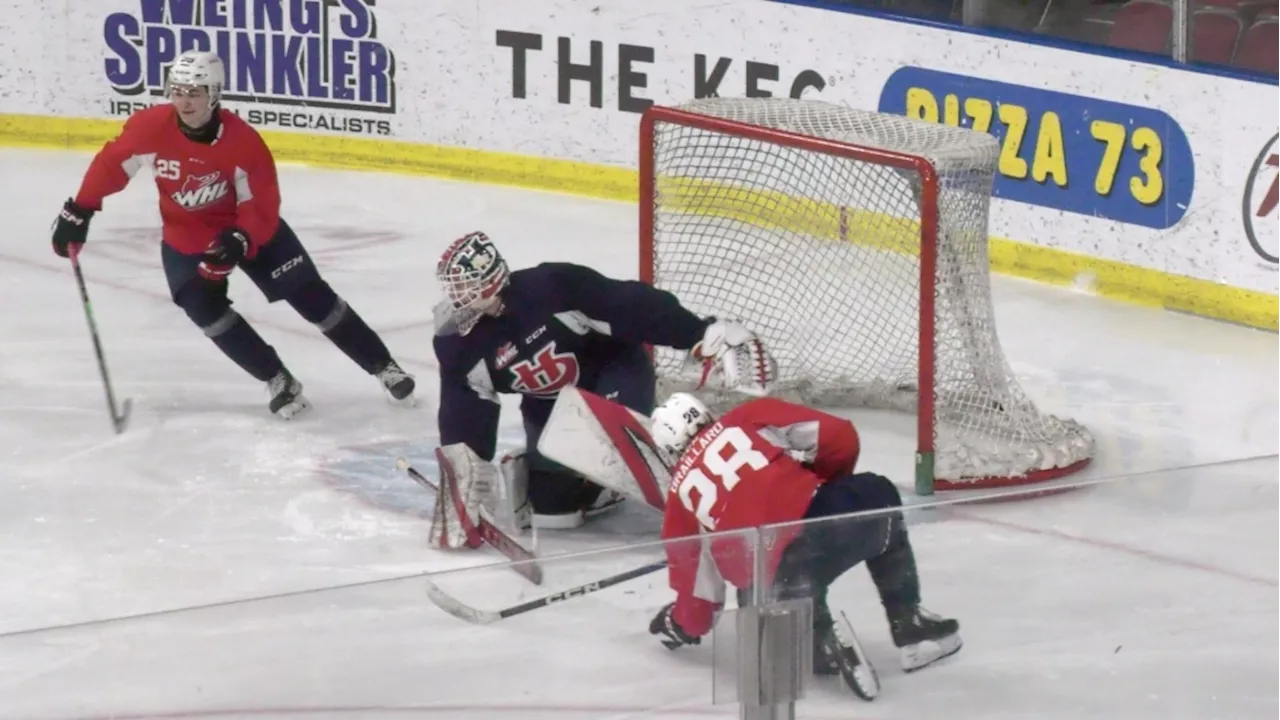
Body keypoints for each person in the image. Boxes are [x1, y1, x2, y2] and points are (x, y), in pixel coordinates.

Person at [49, 51, 415, 419]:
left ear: (214, 94)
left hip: (251, 231)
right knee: (201, 306)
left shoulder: (244, 142)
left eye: (194, 91)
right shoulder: (150, 128)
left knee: (311, 296)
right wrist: (80, 208)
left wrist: (240, 240)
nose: (184, 101)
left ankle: (384, 367)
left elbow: (262, 205)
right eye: (177, 91)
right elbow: (112, 164)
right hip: (188, 238)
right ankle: (278, 379)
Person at [432, 230, 776, 529]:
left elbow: (627, 304)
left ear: (489, 279)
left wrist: (697, 332)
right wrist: (465, 469)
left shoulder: (551, 287)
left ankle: (715, 486)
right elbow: (464, 408)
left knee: (607, 443)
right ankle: (598, 480)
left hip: (612, 375)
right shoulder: (458, 343)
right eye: (454, 288)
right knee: (553, 510)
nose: (456, 295)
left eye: (463, 285)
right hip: (549, 405)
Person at [646, 393, 961, 698]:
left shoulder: (679, 501)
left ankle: (822, 646)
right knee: (878, 494)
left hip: (772, 585)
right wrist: (821, 489)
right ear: (704, 414)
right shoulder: (745, 417)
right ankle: (909, 623)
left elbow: (700, 604)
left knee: (774, 612)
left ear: (670, 451)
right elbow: (840, 437)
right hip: (825, 526)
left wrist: (677, 623)